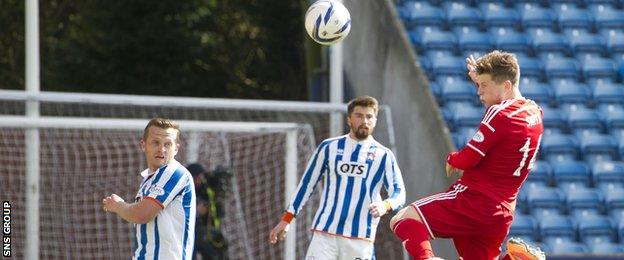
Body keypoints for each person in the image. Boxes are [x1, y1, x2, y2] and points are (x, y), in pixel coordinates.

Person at [389, 50, 545, 260]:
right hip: (502, 212)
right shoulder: (535, 112)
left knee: (403, 219)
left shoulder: (499, 113)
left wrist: (452, 159)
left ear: (506, 86)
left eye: (484, 86)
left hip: (475, 199)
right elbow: (505, 125)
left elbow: (469, 157)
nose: (479, 92)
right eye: (478, 85)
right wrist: (483, 80)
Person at [269, 96, 406, 260]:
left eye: (369, 116)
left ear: (375, 120)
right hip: (325, 233)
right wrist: (287, 219)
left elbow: (399, 193)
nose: (364, 120)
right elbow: (307, 184)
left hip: (360, 237)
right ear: (349, 119)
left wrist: (386, 205)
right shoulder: (329, 147)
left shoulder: (384, 155)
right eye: (359, 115)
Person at [102, 118, 196, 260]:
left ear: (176, 148)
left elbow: (142, 214)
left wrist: (118, 205)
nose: (162, 149)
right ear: (143, 145)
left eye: (168, 144)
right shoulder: (150, 179)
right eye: (156, 142)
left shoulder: (173, 173)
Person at [187, 163, 229, 260]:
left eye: (201, 176)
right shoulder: (185, 191)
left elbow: (219, 212)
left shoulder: (206, 190)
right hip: (192, 232)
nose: (200, 180)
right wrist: (196, 211)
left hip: (207, 231)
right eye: (197, 177)